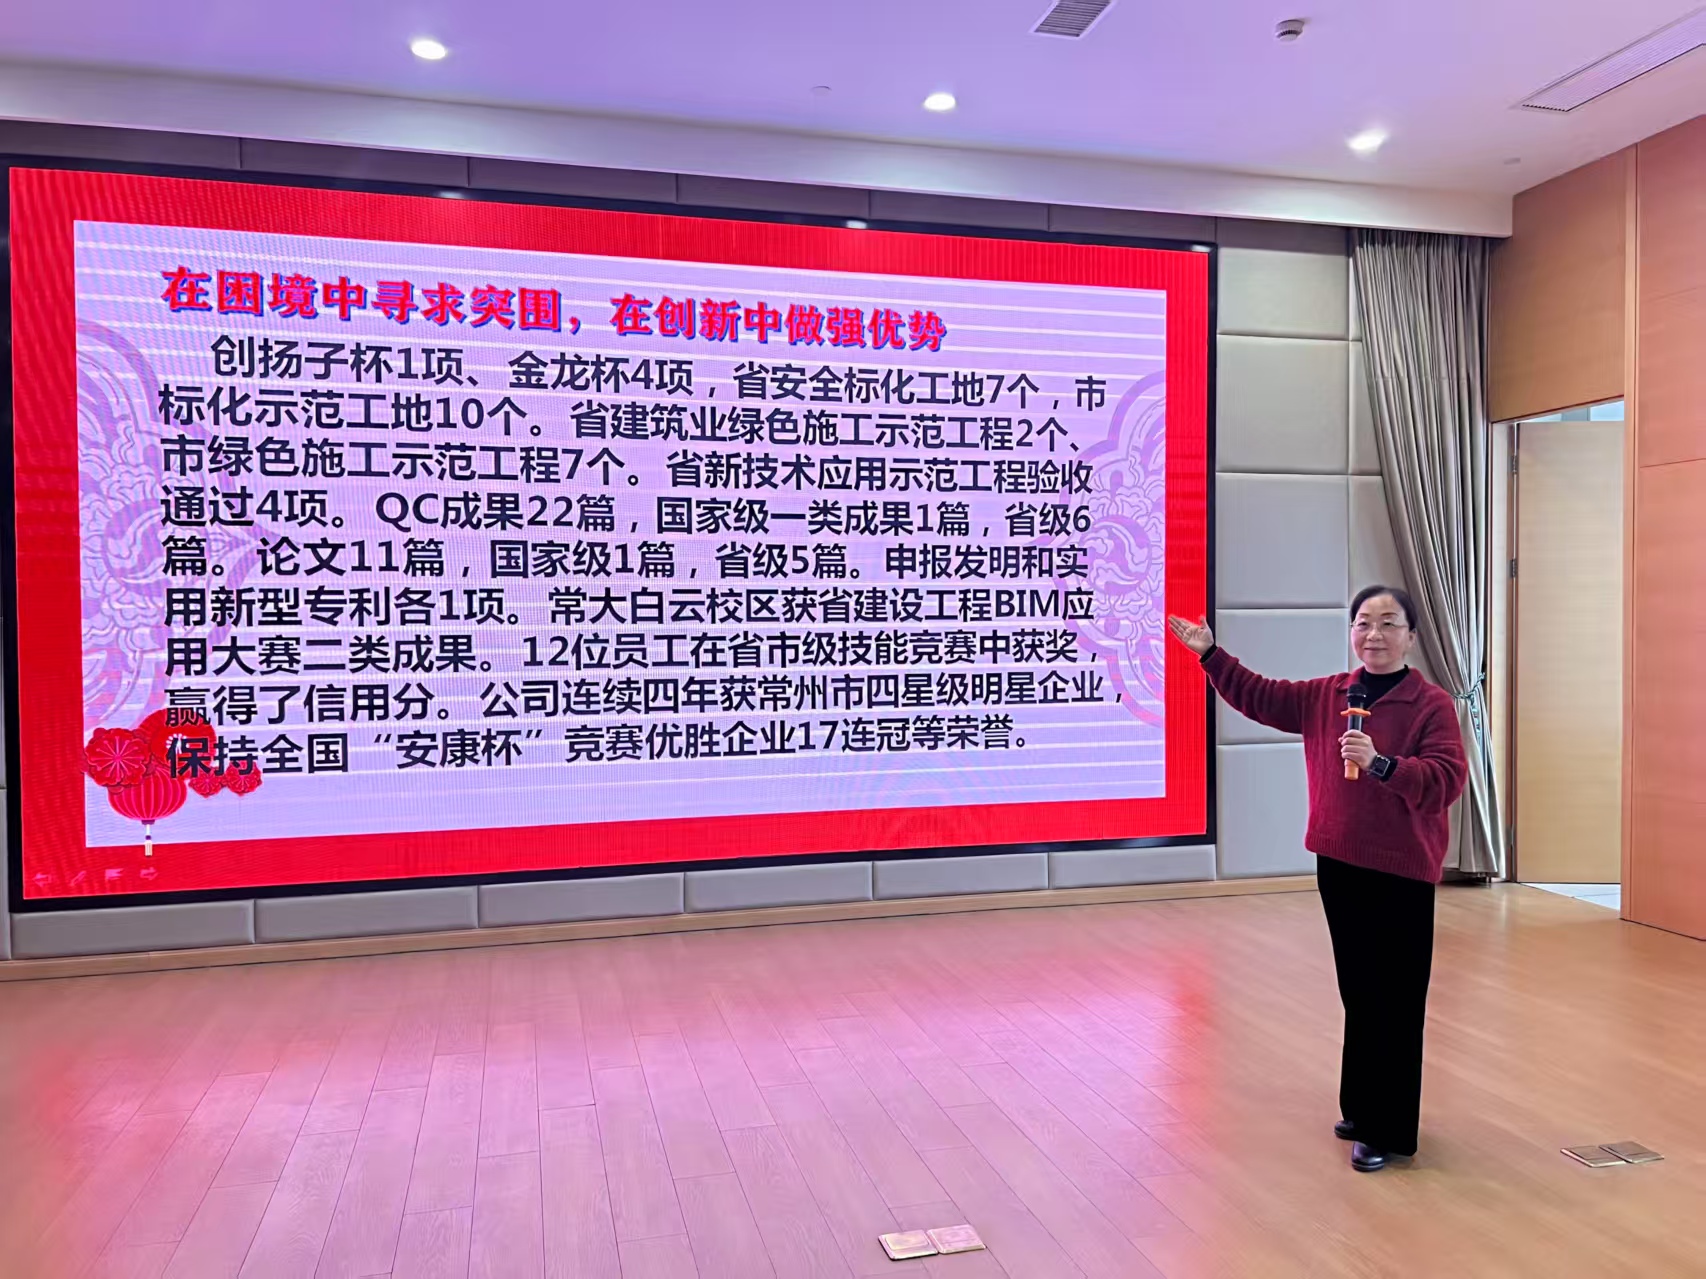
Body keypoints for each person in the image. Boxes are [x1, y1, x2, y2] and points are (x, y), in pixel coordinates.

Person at [1167, 586, 1468, 1172]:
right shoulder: (1330, 694)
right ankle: (1361, 1107)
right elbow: (1260, 695)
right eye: (1363, 623)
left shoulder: (1430, 705)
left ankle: (1386, 1129)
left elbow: (1445, 780)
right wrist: (1210, 654)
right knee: (1359, 990)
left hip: (1401, 869)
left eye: (1389, 623)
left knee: (1395, 1000)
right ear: (1351, 632)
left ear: (1411, 636)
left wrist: (1382, 764)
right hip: (1340, 862)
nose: (1374, 634)